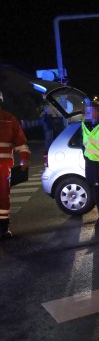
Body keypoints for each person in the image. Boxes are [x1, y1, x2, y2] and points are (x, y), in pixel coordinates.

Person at [0, 91, 30, 239]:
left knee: (3, 197)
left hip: (4, 168)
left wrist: (24, 158)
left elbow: (20, 142)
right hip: (4, 166)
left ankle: (3, 228)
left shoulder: (9, 119)